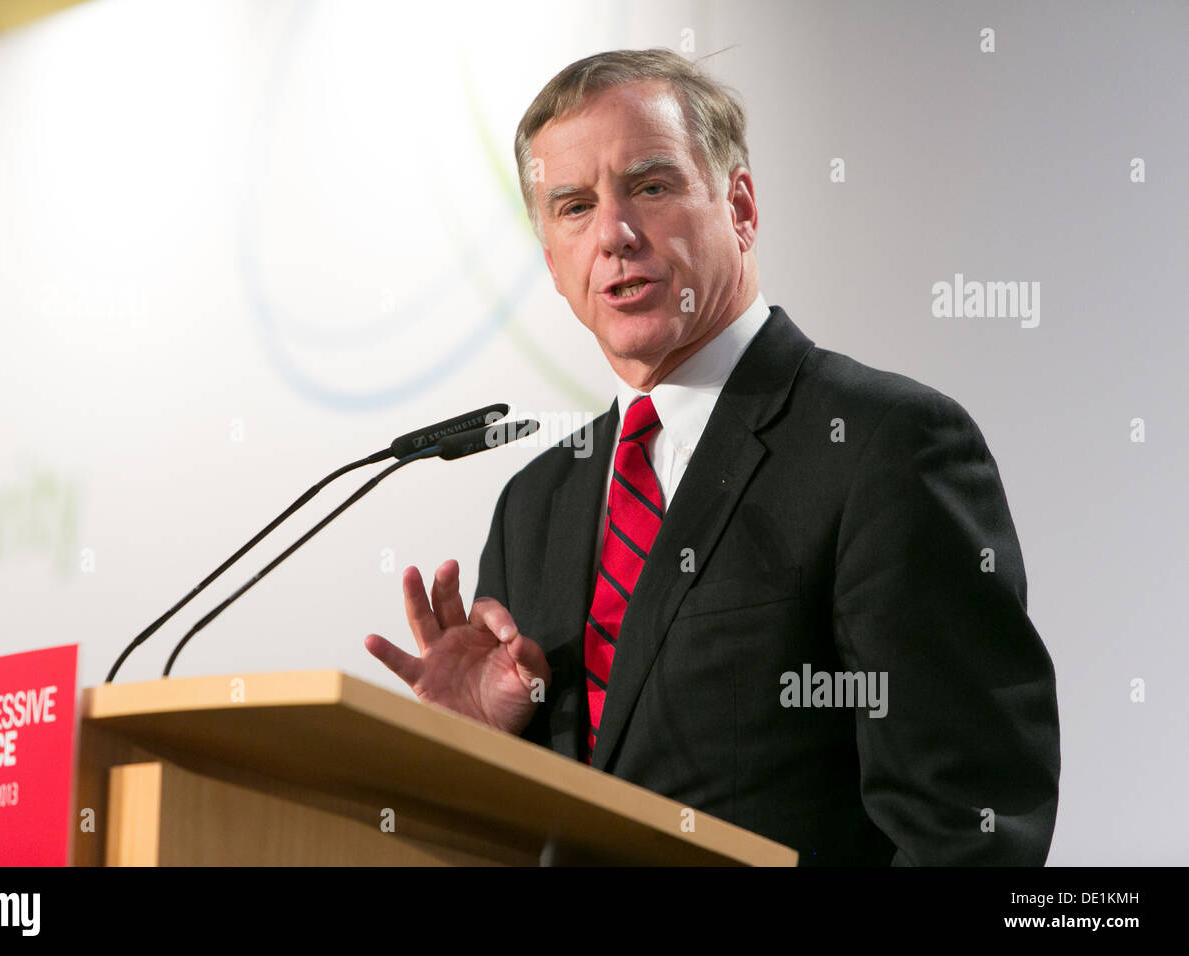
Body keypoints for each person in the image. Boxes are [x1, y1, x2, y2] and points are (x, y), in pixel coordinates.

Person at [365, 48, 1061, 865]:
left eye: (650, 187)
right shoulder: (534, 506)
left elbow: (971, 823)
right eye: (575, 207)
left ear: (739, 206)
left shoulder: (886, 445)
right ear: (553, 262)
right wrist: (482, 755)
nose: (616, 236)